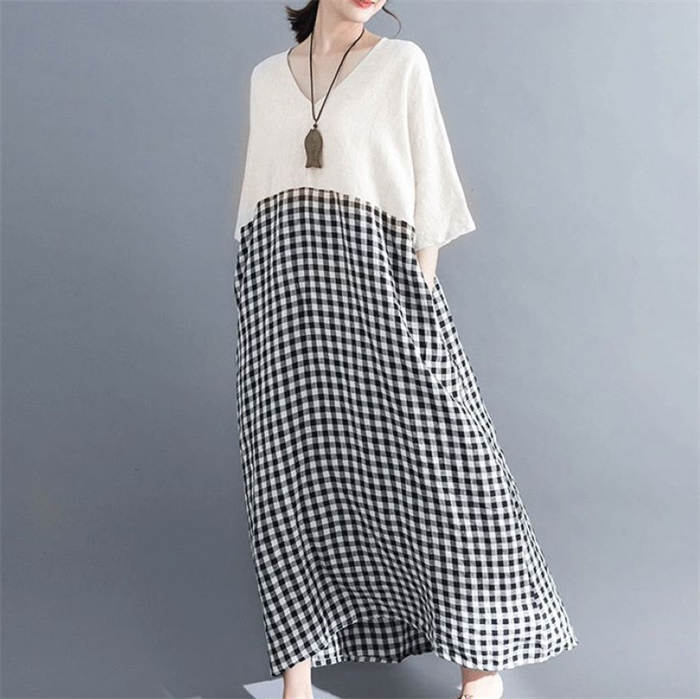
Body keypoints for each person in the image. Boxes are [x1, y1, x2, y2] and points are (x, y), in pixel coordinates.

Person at [233, 1, 579, 698]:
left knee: (448, 472)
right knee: (291, 479)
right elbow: (257, 199)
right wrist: (255, 302)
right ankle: (296, 680)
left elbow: (431, 191)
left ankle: (481, 665)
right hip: (286, 303)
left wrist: (414, 304)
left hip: (382, 293)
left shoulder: (400, 64)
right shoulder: (267, 78)